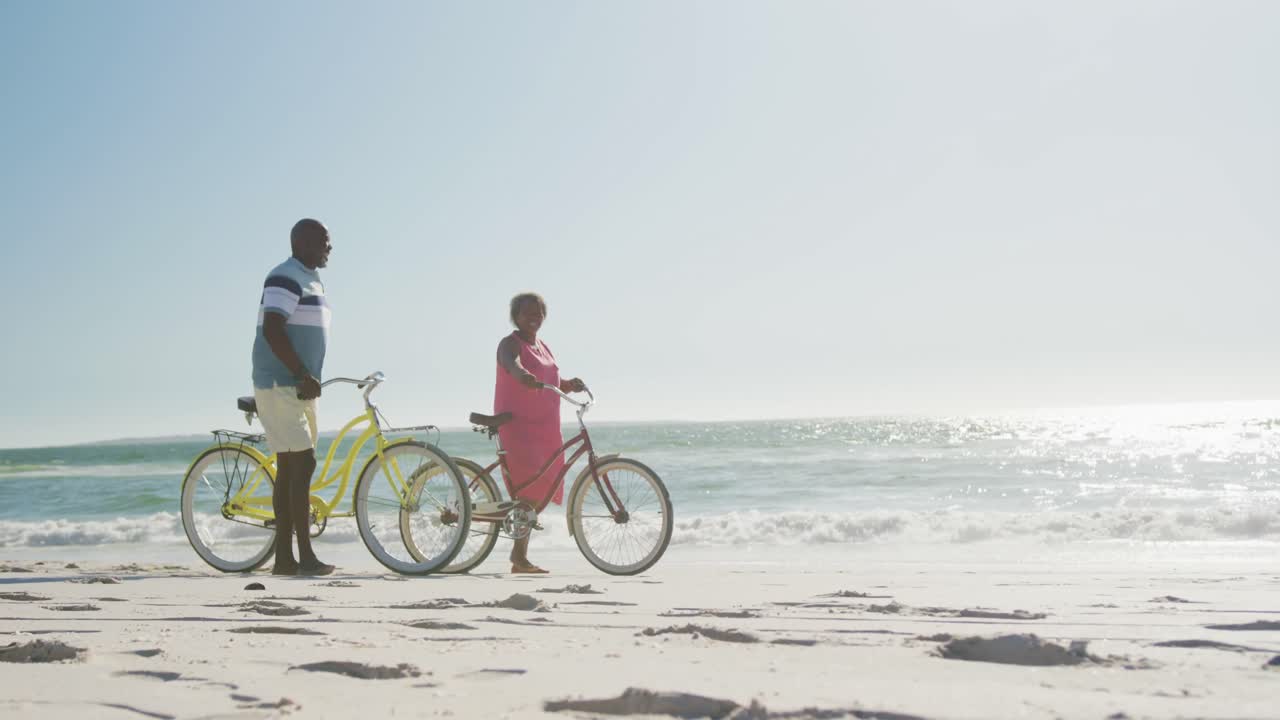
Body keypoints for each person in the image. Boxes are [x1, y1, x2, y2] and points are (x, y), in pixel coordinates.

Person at [250, 218, 335, 576]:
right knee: (300, 466)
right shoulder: (284, 275)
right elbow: (272, 327)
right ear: (302, 243)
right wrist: (300, 372)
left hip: (299, 386)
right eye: (323, 242)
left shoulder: (310, 278)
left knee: (292, 469)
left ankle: (286, 559)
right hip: (282, 383)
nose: (329, 248)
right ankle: (302, 556)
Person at [494, 292, 586, 574]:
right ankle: (519, 558)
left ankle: (518, 556)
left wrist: (568, 383)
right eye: (527, 313)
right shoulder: (510, 343)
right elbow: (512, 364)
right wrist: (520, 375)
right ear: (516, 317)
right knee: (527, 490)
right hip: (519, 424)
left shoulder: (542, 346)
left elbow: (550, 378)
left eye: (539, 313)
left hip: (545, 425)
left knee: (541, 487)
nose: (534, 317)